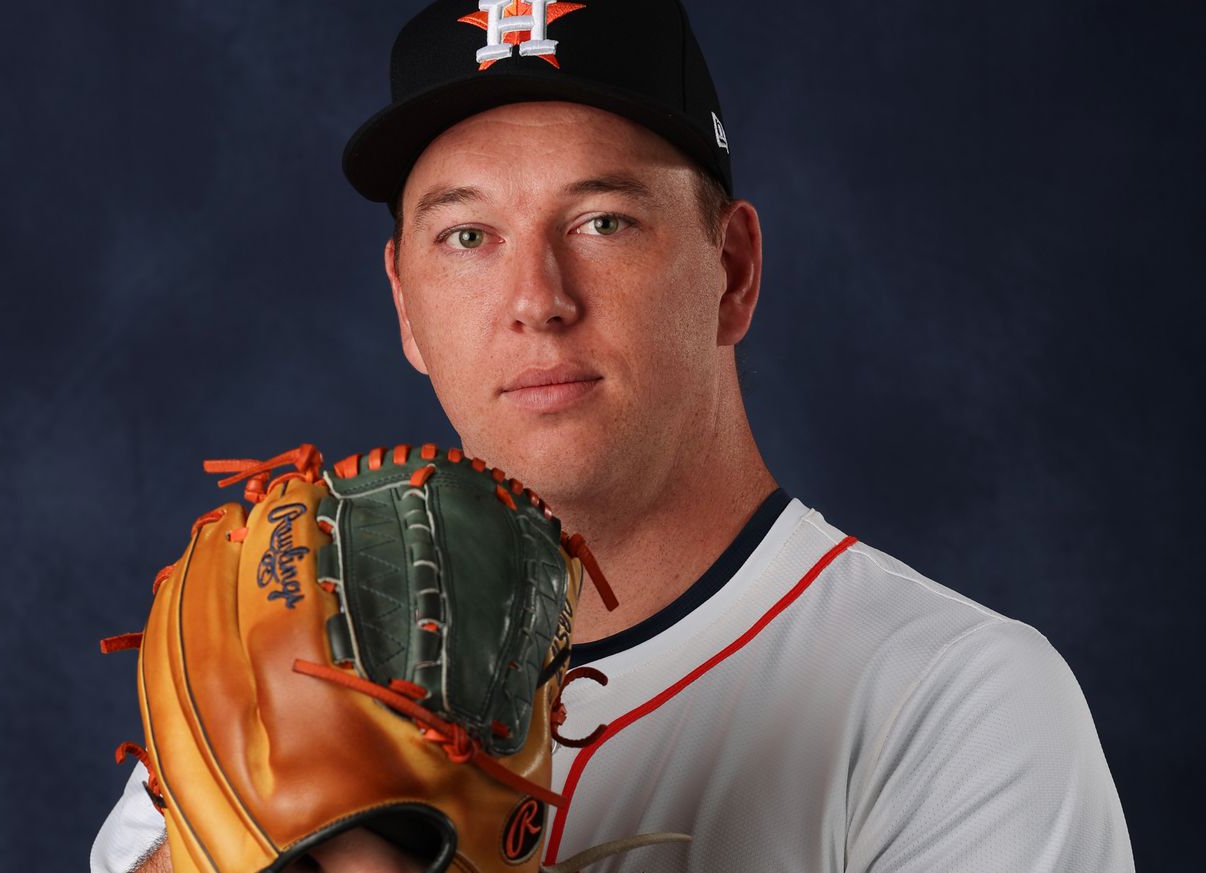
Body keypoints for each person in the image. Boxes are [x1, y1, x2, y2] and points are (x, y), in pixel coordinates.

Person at [92, 1, 1135, 870]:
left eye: (601, 222)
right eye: (467, 236)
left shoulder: (950, 701)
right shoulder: (270, 671)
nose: (536, 301)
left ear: (730, 270)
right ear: (405, 305)